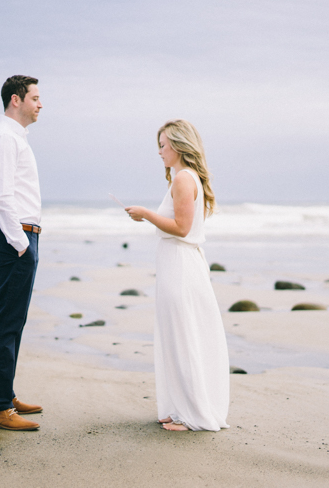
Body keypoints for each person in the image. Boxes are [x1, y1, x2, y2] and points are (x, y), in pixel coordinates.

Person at [125, 120, 230, 432]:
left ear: (179, 146)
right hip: (179, 263)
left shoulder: (183, 179)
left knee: (183, 336)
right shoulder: (184, 177)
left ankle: (192, 414)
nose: (159, 152)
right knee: (177, 335)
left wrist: (145, 214)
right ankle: (181, 407)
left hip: (181, 266)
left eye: (163, 145)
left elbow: (182, 228)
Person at [0, 75, 44, 431]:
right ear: (16, 100)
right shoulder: (5, 137)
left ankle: (5, 395)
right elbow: (3, 196)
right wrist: (21, 244)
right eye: (35, 98)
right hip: (13, 238)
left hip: (19, 236)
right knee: (6, 321)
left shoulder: (15, 137)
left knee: (13, 322)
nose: (40, 104)